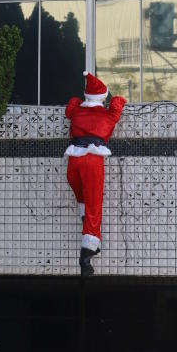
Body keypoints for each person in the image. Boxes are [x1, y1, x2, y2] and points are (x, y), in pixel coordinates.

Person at [64, 73, 126, 277]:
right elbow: (118, 103)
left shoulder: (77, 112)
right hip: (92, 159)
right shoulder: (107, 115)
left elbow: (71, 106)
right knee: (93, 205)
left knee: (83, 199)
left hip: (73, 160)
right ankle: (86, 255)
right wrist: (117, 98)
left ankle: (89, 234)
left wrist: (81, 101)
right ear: (102, 97)